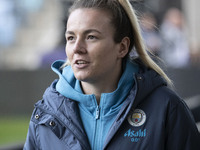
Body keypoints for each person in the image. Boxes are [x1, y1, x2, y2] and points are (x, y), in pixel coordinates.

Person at [23, 0, 200, 150]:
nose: (77, 48)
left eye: (91, 37)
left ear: (122, 47)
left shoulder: (166, 108)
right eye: (71, 38)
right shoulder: (46, 114)